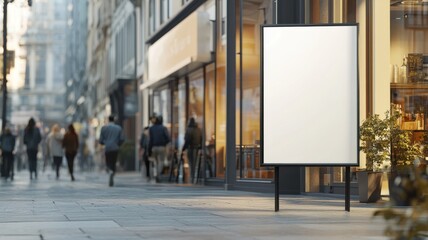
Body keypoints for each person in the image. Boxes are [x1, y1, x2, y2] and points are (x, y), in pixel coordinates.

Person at [99, 115, 124, 187]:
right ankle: (112, 172)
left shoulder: (104, 128)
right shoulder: (119, 128)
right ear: (114, 120)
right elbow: (122, 139)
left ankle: (110, 170)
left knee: (108, 163)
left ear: (108, 120)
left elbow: (101, 141)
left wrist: (105, 143)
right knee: (113, 162)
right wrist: (118, 144)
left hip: (107, 148)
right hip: (115, 148)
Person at [148, 116, 170, 182]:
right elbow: (168, 138)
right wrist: (164, 143)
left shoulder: (151, 128)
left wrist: (149, 149)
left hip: (154, 147)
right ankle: (158, 174)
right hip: (162, 147)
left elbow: (150, 140)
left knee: (154, 161)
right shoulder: (163, 128)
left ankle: (153, 174)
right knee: (161, 162)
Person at [182, 117, 202, 183]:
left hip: (191, 148)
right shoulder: (198, 130)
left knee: (191, 163)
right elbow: (201, 139)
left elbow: (187, 140)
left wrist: (184, 148)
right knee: (195, 163)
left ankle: (192, 177)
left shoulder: (189, 130)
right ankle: (195, 177)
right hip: (197, 148)